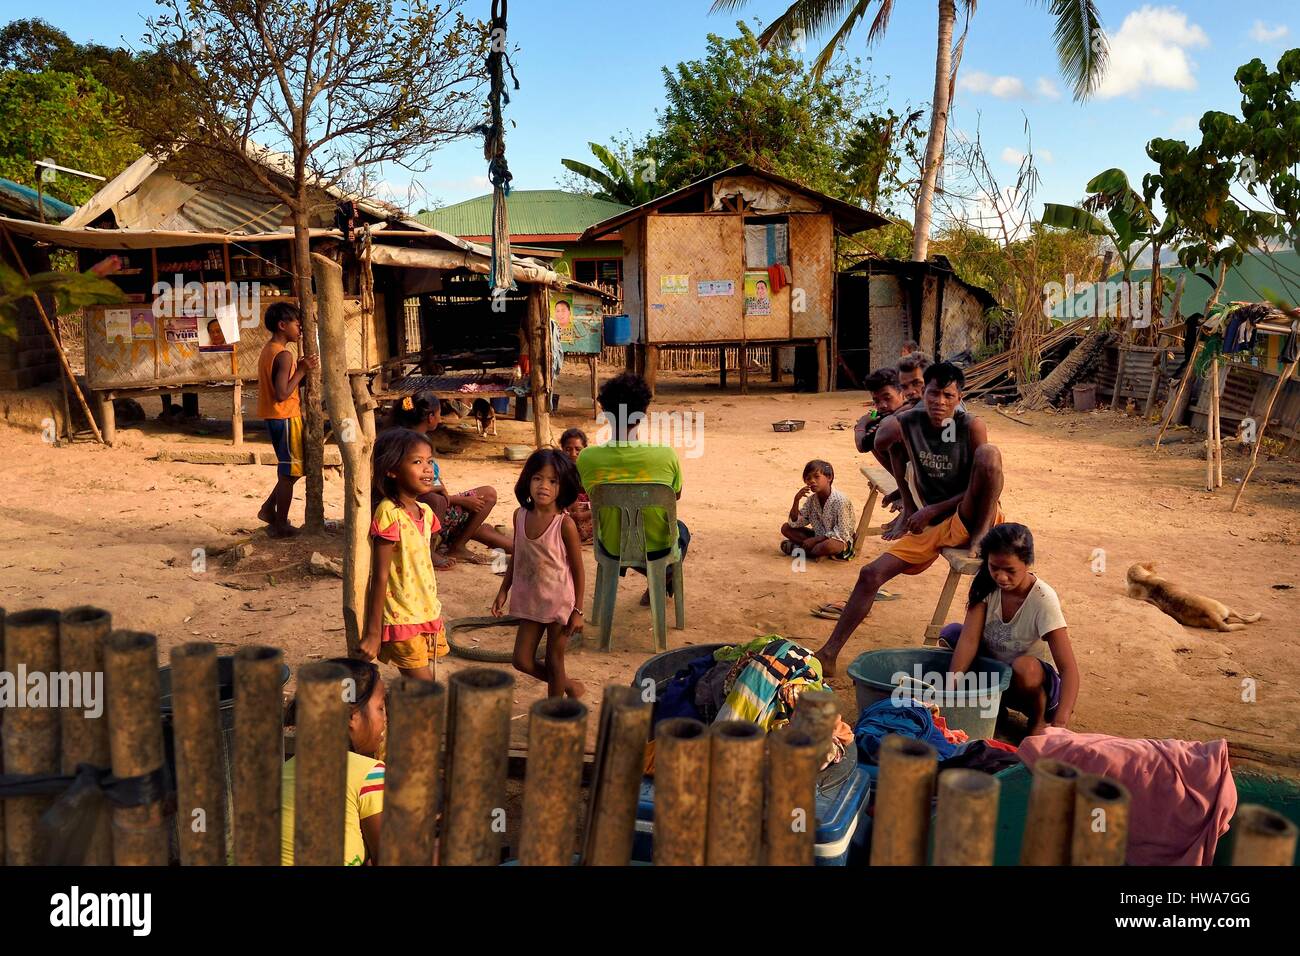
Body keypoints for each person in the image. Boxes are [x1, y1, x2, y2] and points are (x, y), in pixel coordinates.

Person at [815, 362, 1004, 676]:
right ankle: (829, 654)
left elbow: (987, 484)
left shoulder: (971, 426)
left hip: (970, 514)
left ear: (959, 398)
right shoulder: (907, 422)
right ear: (920, 393)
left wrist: (932, 509)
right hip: (933, 523)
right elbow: (875, 444)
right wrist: (906, 499)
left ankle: (982, 536)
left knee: (990, 455)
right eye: (933, 393)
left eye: (947, 395)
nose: (938, 402)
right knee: (869, 575)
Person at [943, 523, 1078, 736]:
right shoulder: (986, 584)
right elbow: (969, 641)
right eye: (994, 567)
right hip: (997, 672)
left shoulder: (1043, 599)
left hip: (1033, 682)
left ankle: (1039, 717)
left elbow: (1069, 668)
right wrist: (948, 691)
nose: (1001, 577)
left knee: (1024, 666)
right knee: (951, 635)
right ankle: (994, 707)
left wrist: (1060, 725)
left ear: (1027, 563)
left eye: (1010, 570)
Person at [577, 372, 690, 607]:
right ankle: (660, 575)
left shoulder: (587, 457)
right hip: (658, 546)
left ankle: (655, 576)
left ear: (606, 413)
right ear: (643, 413)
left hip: (610, 544)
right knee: (681, 530)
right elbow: (675, 495)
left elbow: (586, 493)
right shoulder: (665, 455)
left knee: (622, 528)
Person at [491, 449, 586, 698]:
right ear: (527, 480)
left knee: (555, 660)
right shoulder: (519, 515)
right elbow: (518, 556)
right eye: (537, 478)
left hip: (559, 602)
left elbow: (578, 570)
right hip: (531, 599)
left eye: (553, 481)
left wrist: (578, 610)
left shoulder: (564, 524)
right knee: (521, 660)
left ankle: (553, 714)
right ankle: (568, 685)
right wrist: (503, 589)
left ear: (562, 486)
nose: (543, 486)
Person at [281, 658, 386, 865]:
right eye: (381, 708)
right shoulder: (369, 774)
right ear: (350, 717)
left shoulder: (281, 773)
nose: (385, 719)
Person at [388, 393, 511, 566]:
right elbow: (410, 485)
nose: (440, 418)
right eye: (439, 413)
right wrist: (456, 499)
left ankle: (458, 543)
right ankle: (435, 549)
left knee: (486, 525)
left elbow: (432, 480)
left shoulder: (418, 441)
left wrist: (449, 496)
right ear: (430, 417)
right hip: (422, 510)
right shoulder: (408, 443)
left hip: (439, 506)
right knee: (467, 499)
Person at [360, 428, 444, 680]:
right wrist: (374, 633)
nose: (427, 469)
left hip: (426, 611)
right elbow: (380, 576)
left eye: (429, 462)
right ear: (392, 470)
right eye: (417, 462)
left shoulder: (425, 512)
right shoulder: (389, 513)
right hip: (401, 616)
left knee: (418, 689)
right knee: (426, 687)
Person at [256, 301, 318, 537]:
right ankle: (280, 522)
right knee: (288, 472)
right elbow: (282, 394)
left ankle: (268, 510)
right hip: (285, 416)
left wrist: (299, 371)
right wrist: (302, 370)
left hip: (275, 416)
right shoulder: (283, 356)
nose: (300, 329)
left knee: (290, 469)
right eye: (296, 324)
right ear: (282, 325)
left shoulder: (269, 349)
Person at [780, 460, 855, 560]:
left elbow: (842, 533)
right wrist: (796, 500)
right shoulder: (811, 501)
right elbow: (795, 522)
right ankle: (814, 552)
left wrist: (815, 540)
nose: (812, 481)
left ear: (829, 477)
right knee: (786, 528)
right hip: (818, 536)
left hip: (838, 540)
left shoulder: (840, 501)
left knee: (827, 546)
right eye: (808, 478)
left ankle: (802, 550)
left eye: (816, 476)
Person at [854, 367, 908, 467]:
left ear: (903, 394)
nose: (882, 405)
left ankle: (901, 481)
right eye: (877, 401)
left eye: (887, 398)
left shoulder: (901, 417)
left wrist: (862, 423)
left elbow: (861, 446)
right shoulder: (891, 413)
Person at [559, 427, 594, 543]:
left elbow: (602, 501)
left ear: (585, 449)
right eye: (568, 449)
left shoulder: (591, 471)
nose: (573, 454)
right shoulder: (558, 471)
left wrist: (584, 514)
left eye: (578, 449)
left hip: (589, 515)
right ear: (562, 449)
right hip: (566, 516)